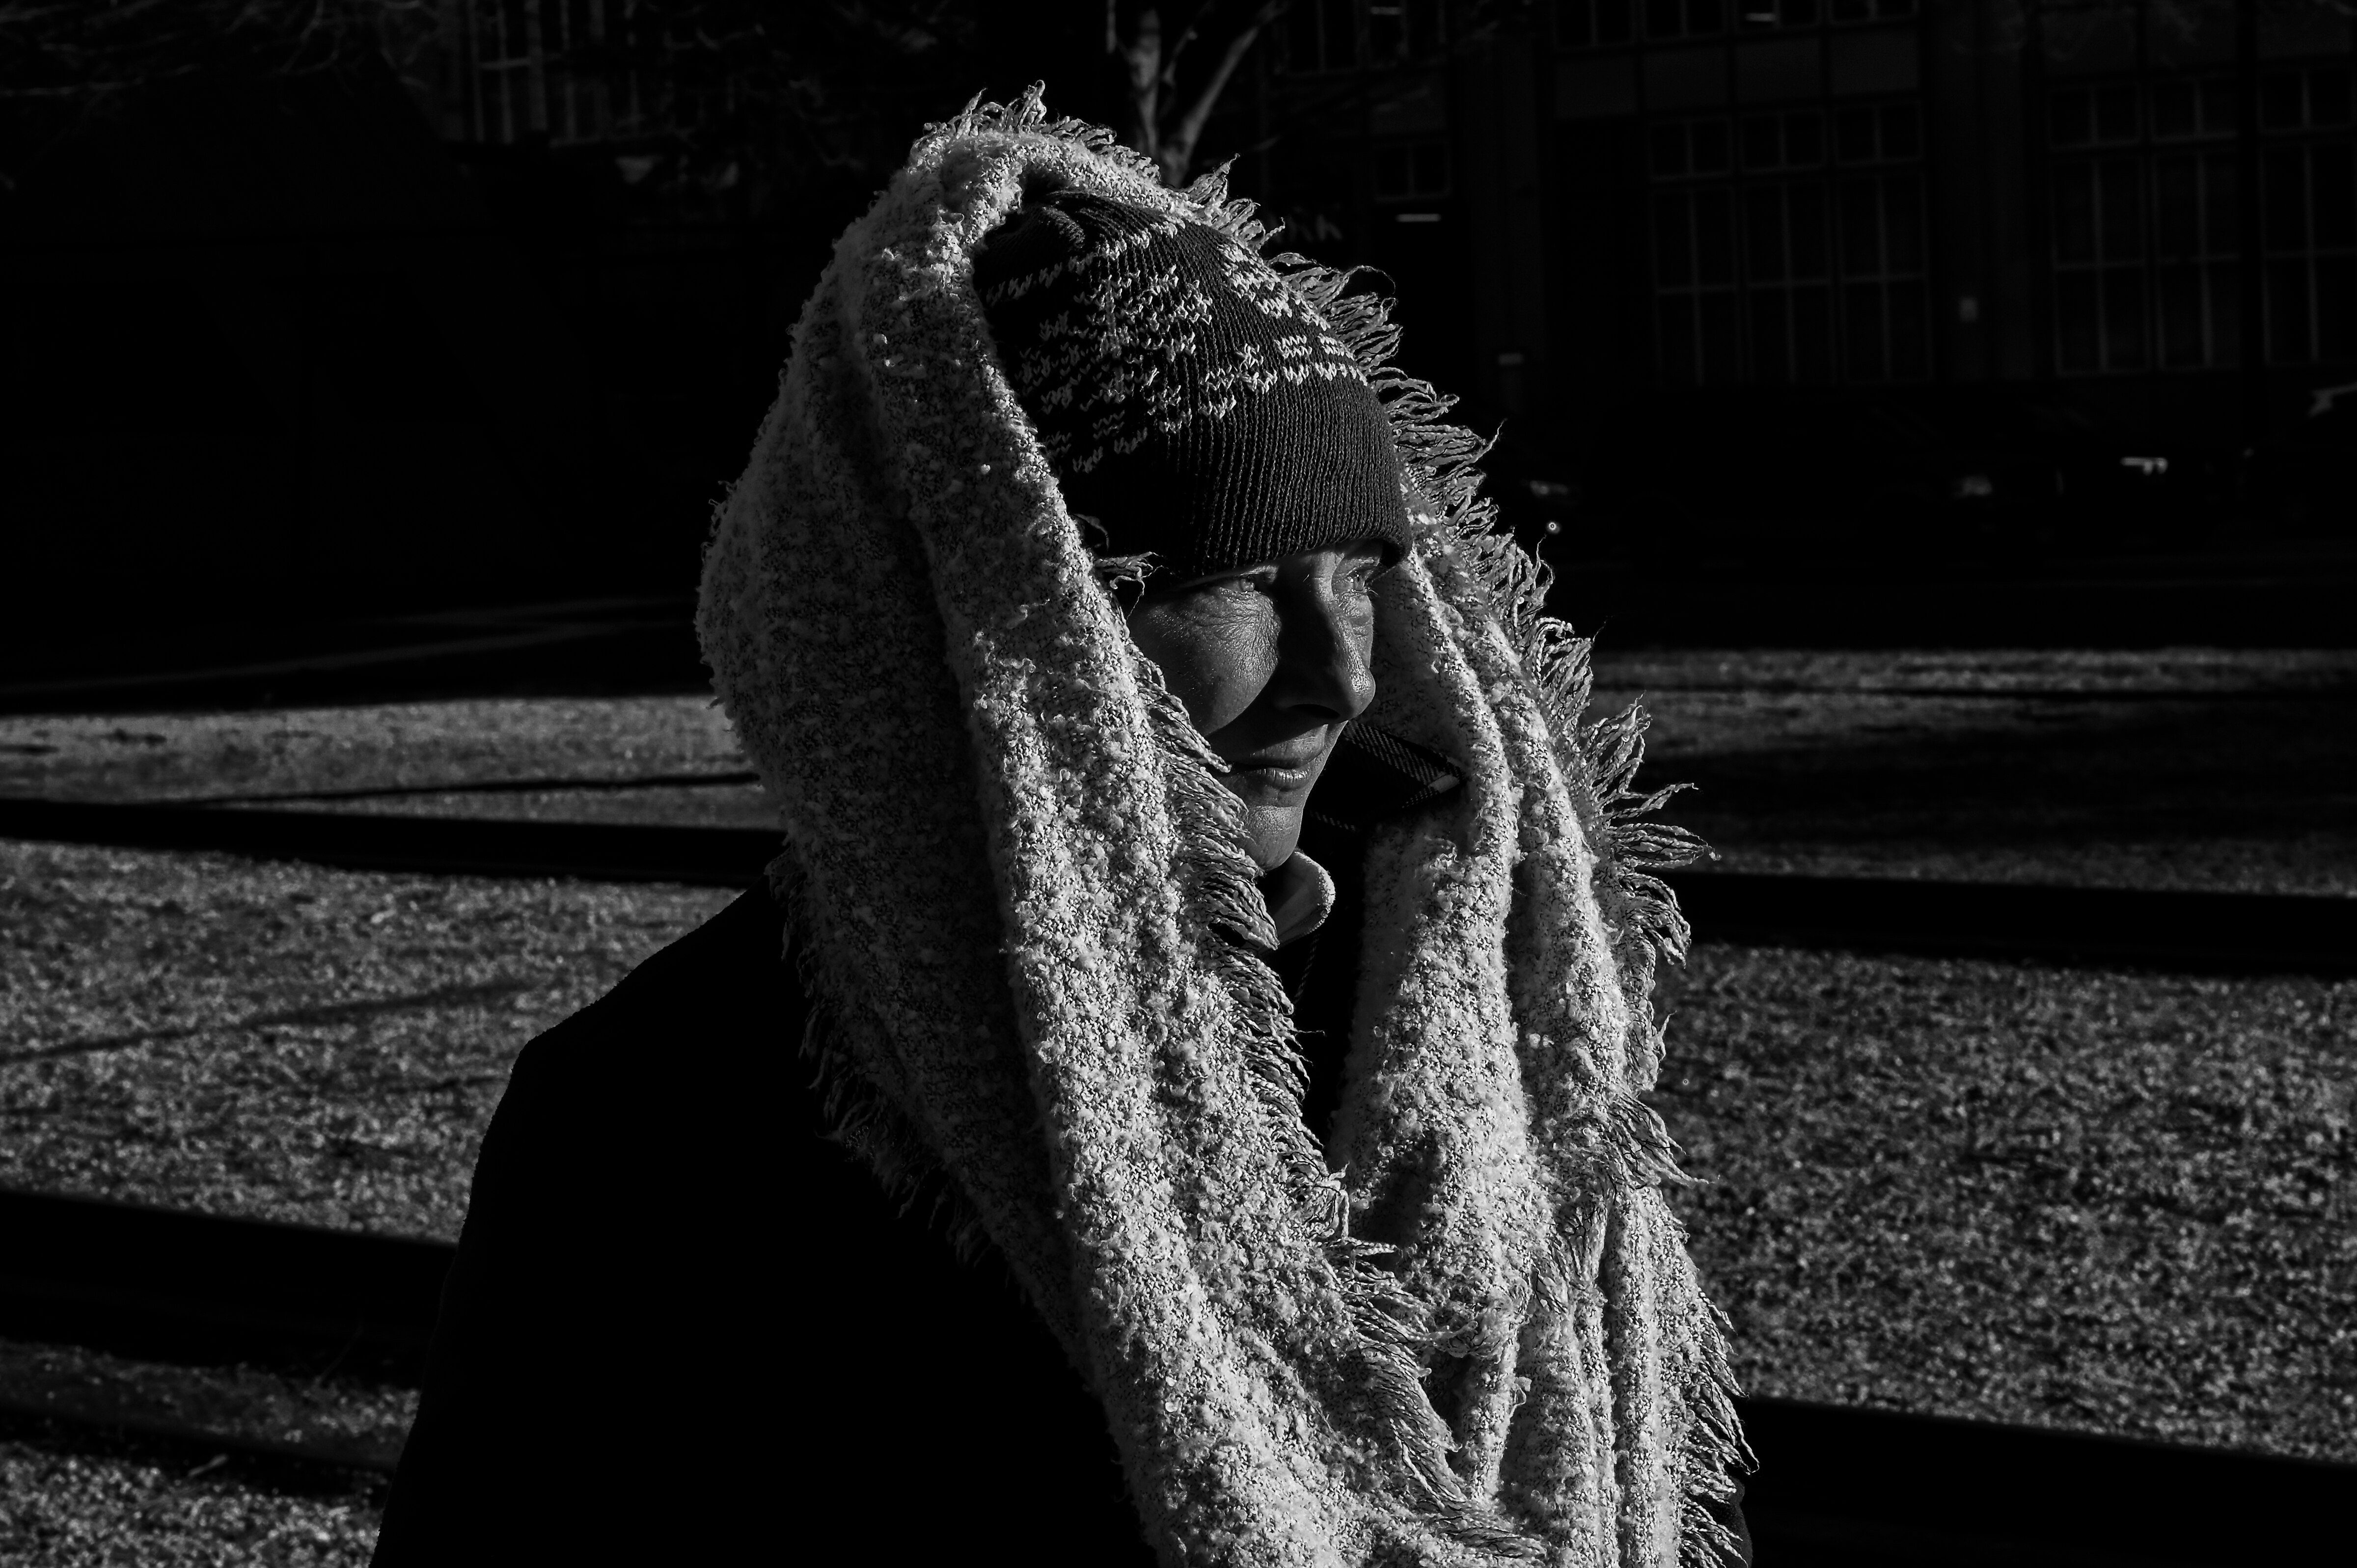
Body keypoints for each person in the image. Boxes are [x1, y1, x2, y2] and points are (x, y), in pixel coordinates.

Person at [373, 89, 1749, 1567]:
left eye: (1363, 571)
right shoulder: (661, 1130)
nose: (1343, 673)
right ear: (978, 620)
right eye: (1233, 580)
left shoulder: (1499, 1025)